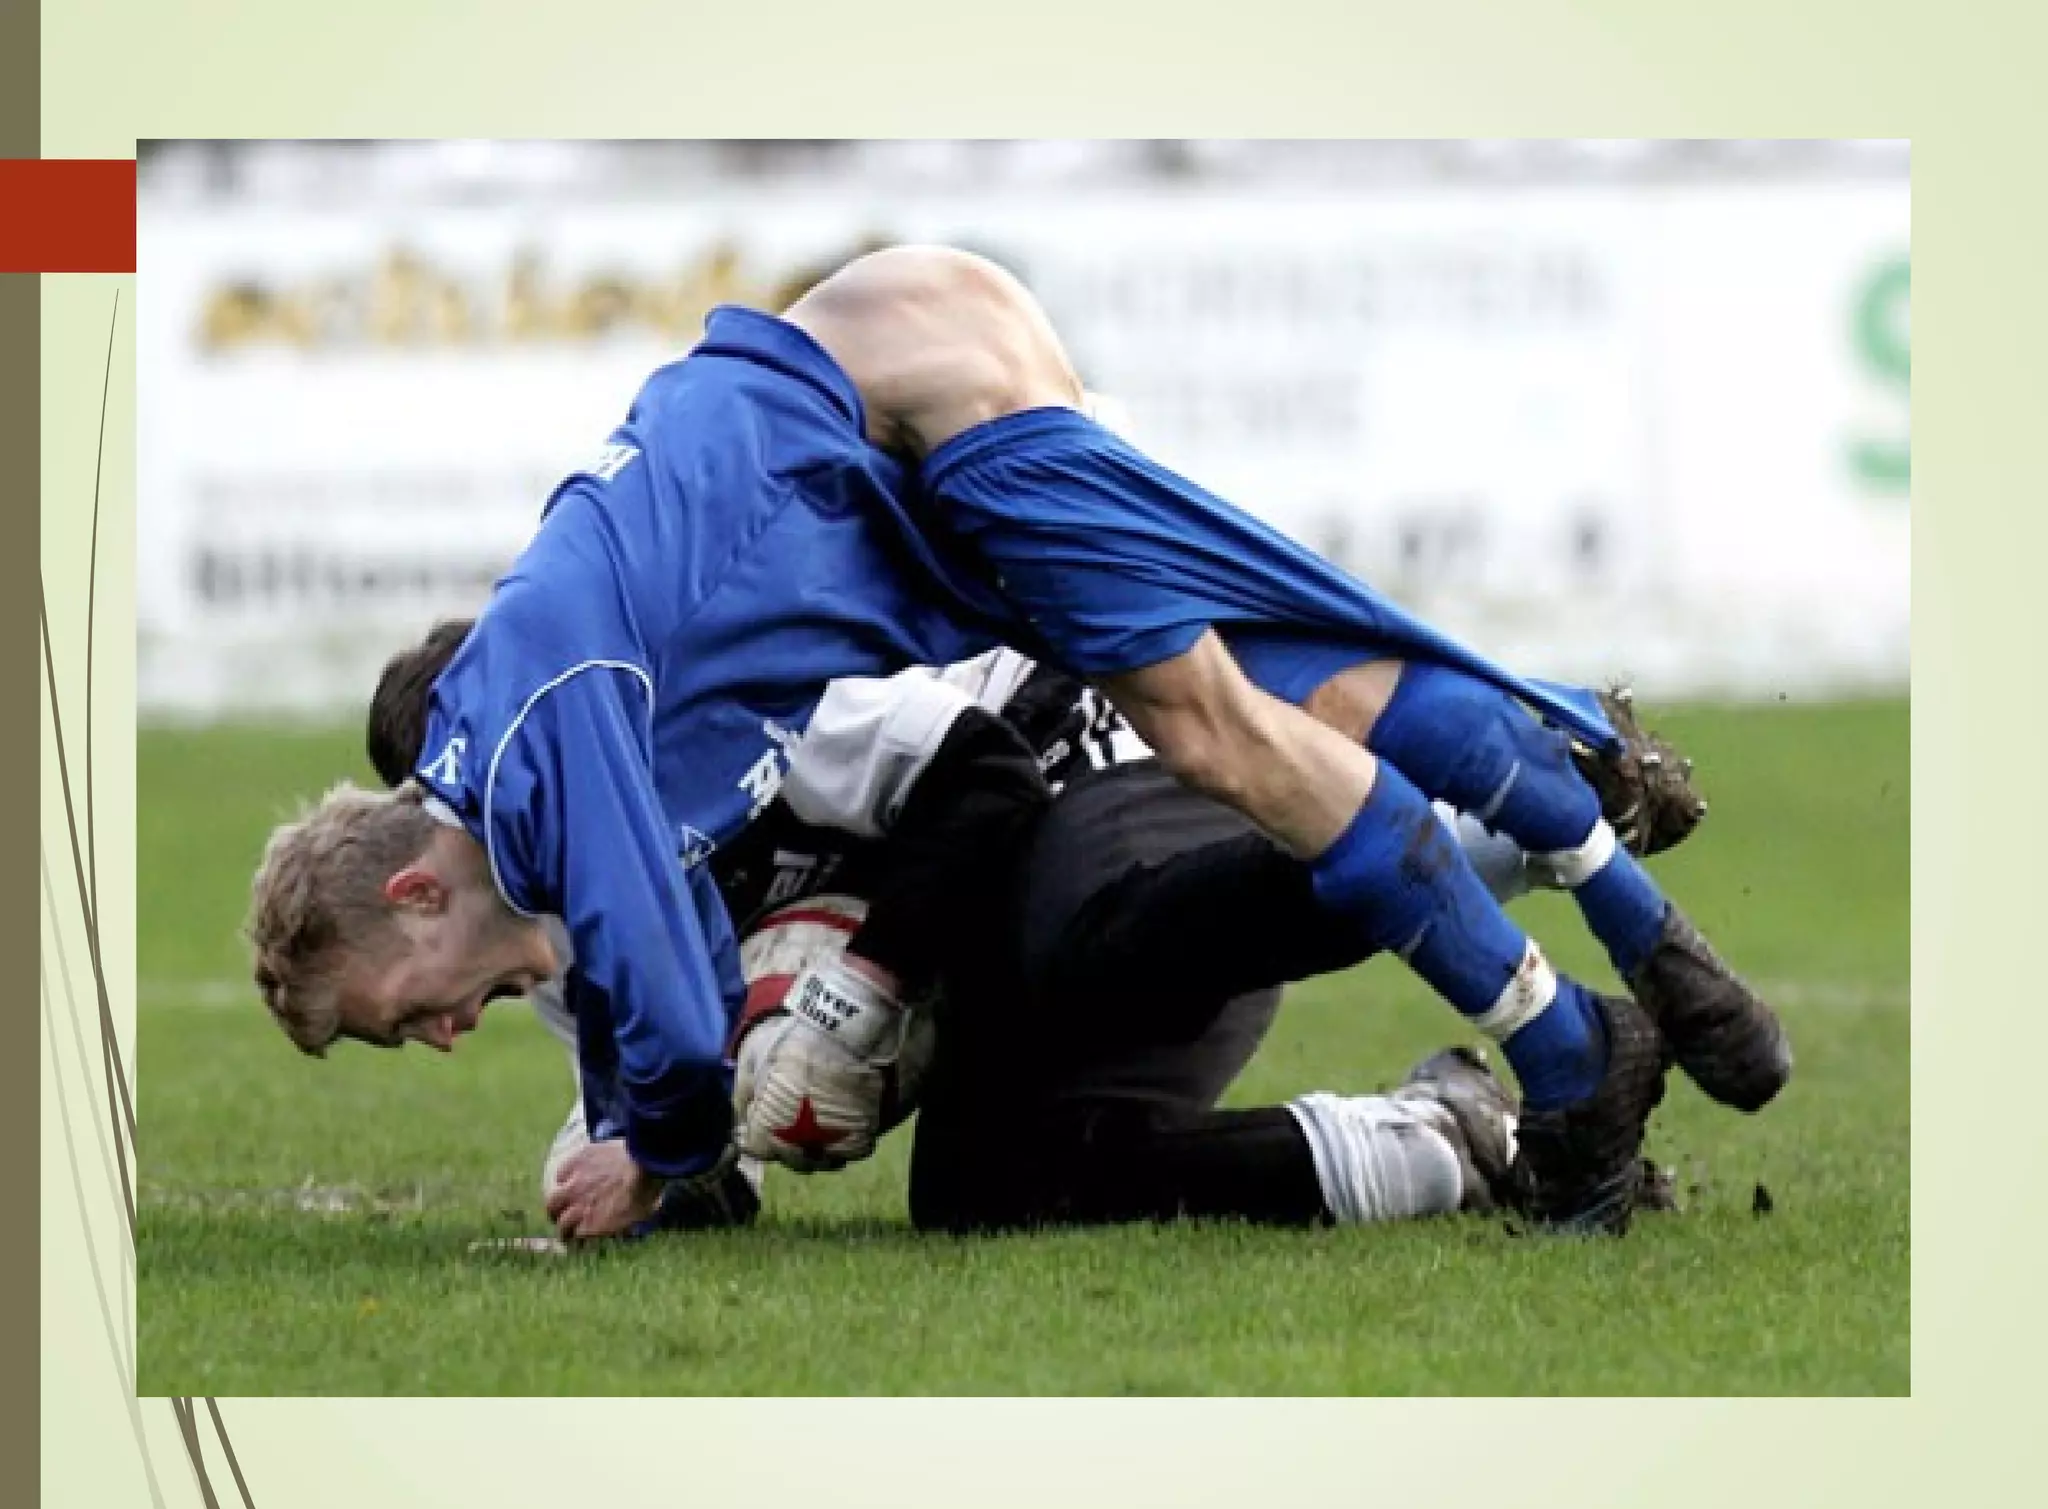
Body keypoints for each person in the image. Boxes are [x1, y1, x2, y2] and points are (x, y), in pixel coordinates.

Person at [248, 244, 1784, 1240]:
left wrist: (669, 1136)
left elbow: (655, 973)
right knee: (1294, 683)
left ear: (414, 895)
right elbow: (651, 971)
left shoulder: (537, 735)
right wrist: (674, 1134)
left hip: (923, 395)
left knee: (1217, 731)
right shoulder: (515, 762)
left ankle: (1577, 1017)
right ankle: (1589, 844)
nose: (432, 1040)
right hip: (918, 480)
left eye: (396, 1016)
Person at [365, 629, 1690, 1236]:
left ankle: (1502, 821)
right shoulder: (553, 937)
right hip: (1024, 933)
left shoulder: (713, 718)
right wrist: (652, 1173)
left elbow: (984, 780)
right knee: (990, 1192)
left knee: (1076, 929)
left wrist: (863, 979)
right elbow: (706, 1154)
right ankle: (1450, 1143)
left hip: (1096, 795)